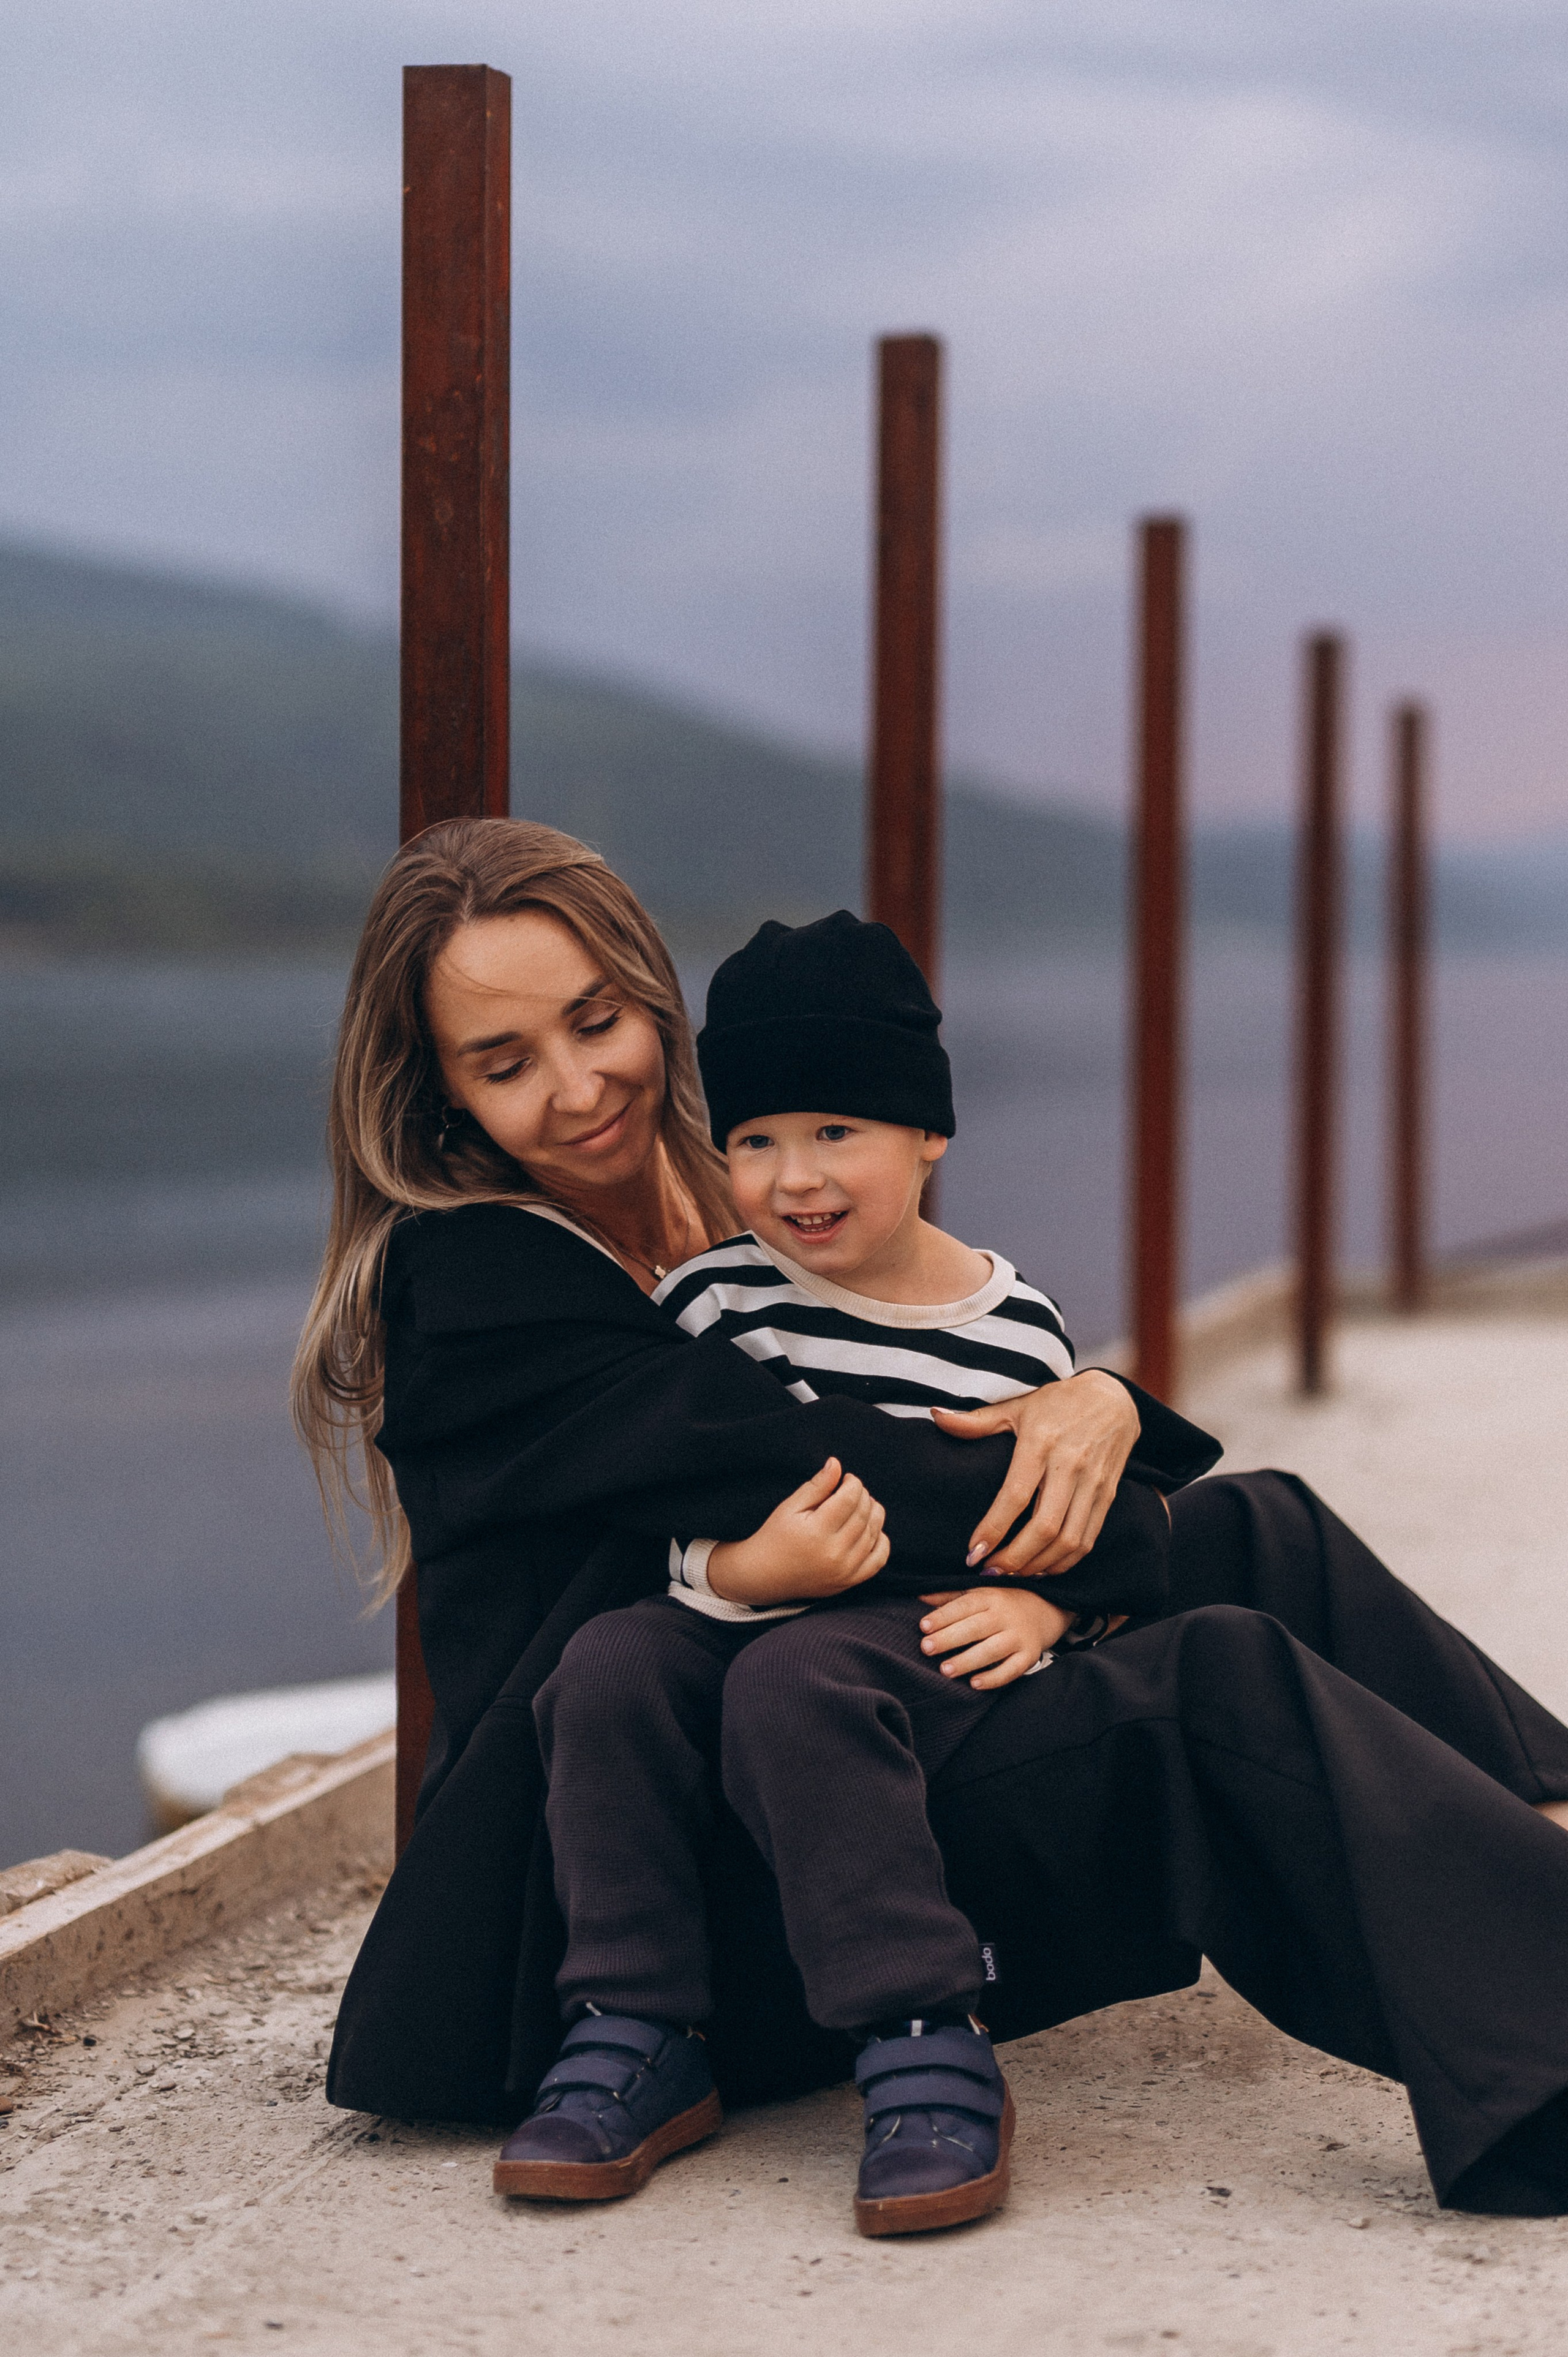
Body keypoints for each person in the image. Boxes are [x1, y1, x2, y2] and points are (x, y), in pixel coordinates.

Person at [296, 816, 1568, 2220]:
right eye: (504, 1061)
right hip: (659, 1894)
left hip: (798, 1740)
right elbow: (840, 1471)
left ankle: (1543, 1813)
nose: (579, 1083)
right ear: (438, 1093)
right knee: (1210, 1681)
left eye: (596, 1021)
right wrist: (1120, 1455)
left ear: (652, 1002)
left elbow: (926, 1389)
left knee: (1263, 1525)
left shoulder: (708, 1205)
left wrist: (1093, 1407)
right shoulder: (476, 1281)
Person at [500, 910, 1182, 2233]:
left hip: (906, 1635)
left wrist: (1045, 1605)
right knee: (608, 1664)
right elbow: (659, 1506)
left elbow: (1060, 1505)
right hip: (742, 1602)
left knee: (801, 1678)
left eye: (835, 1132)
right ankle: (635, 2018)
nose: (792, 1178)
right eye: (752, 1141)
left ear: (925, 1134)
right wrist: (738, 1564)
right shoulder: (711, 1303)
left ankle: (919, 2023)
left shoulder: (1012, 1327)